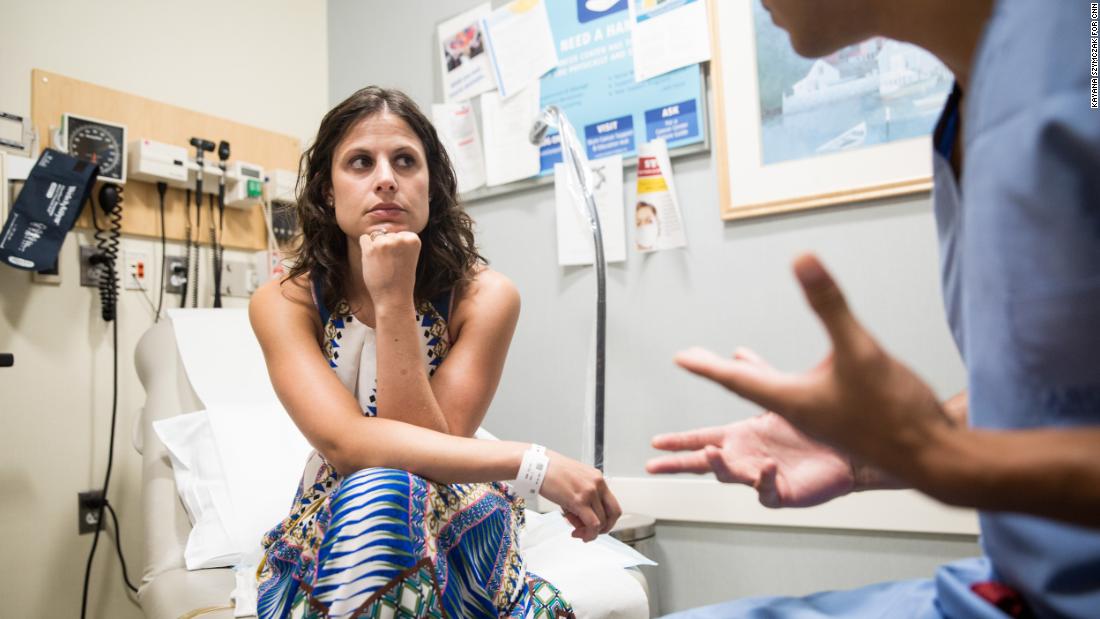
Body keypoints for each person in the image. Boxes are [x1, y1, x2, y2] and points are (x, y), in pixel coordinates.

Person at [648, 0, 1100, 617]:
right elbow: (1059, 402)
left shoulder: (1080, 54)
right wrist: (866, 453)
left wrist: (941, 456)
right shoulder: (974, 105)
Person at [249, 86, 621, 619]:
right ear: (328, 192)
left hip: (455, 516)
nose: (386, 178)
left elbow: (431, 458)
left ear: (432, 187)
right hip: (336, 519)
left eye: (405, 161)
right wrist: (534, 464)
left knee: (392, 486)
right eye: (360, 162)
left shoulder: (486, 297)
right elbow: (348, 445)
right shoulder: (284, 300)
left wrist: (394, 298)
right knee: (378, 488)